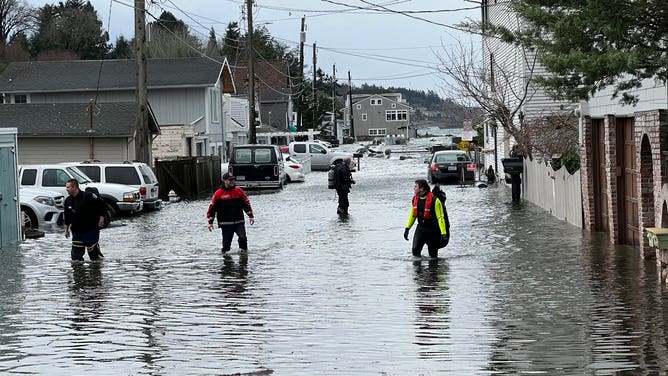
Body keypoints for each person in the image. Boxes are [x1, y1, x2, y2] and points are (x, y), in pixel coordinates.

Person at [207, 172, 255, 254]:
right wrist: (210, 222)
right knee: (226, 245)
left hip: (239, 221)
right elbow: (212, 208)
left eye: (233, 179)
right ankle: (226, 259)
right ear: (224, 181)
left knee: (243, 238)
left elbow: (246, 204)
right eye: (230, 180)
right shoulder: (218, 194)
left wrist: (250, 216)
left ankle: (243, 256)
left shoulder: (239, 191)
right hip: (225, 222)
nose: (232, 181)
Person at [63, 179, 107, 262]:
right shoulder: (68, 200)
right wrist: (66, 230)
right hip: (76, 231)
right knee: (76, 258)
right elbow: (67, 216)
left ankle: (97, 269)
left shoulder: (88, 196)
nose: (66, 189)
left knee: (94, 257)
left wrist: (101, 219)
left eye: (68, 187)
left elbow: (102, 206)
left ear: (74, 187)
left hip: (91, 229)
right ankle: (78, 273)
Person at [403, 179, 448, 259]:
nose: (414, 188)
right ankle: (417, 270)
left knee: (433, 257)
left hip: (433, 230)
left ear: (422, 189)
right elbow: (413, 215)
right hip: (421, 229)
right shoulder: (415, 199)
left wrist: (443, 234)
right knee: (415, 252)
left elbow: (440, 218)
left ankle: (433, 271)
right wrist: (407, 228)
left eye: (415, 187)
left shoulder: (435, 200)